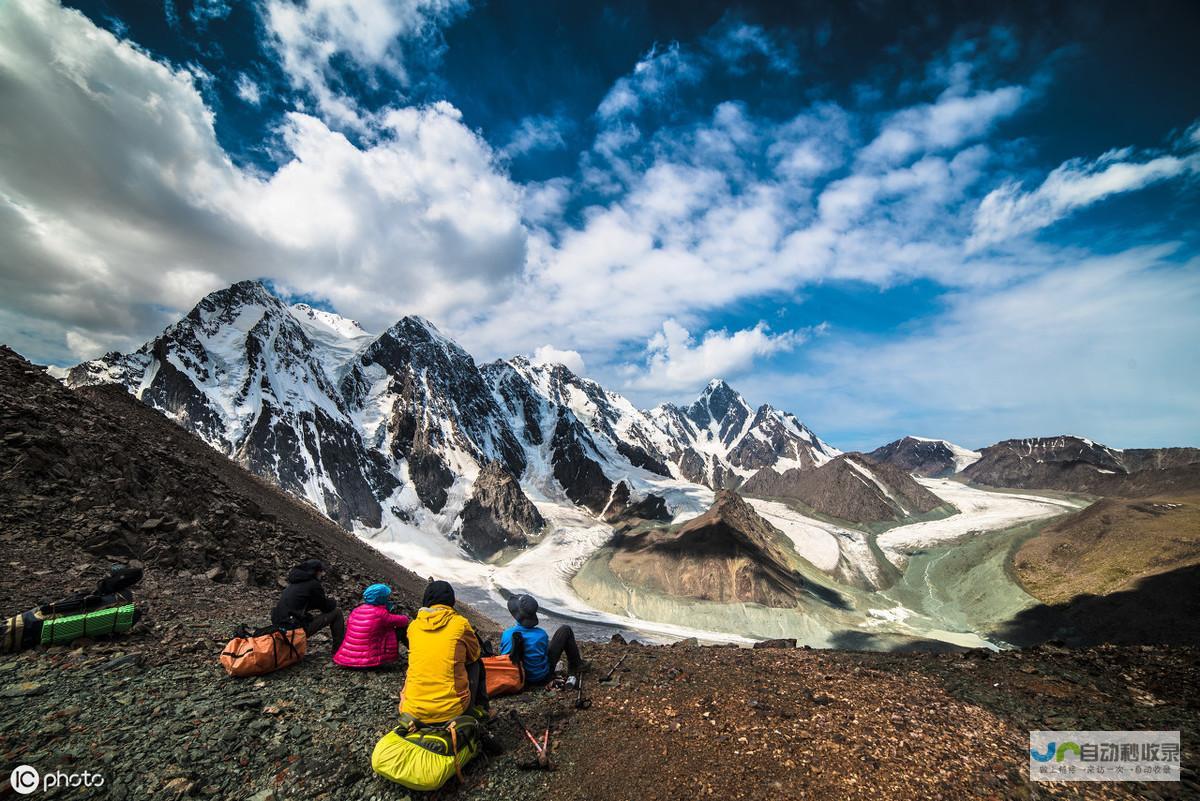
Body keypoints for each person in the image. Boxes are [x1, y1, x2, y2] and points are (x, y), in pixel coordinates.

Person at [400, 580, 488, 724]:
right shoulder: (460, 624)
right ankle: (479, 709)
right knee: (476, 663)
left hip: (411, 710)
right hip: (452, 710)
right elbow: (475, 654)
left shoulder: (413, 627)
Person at [500, 594, 584, 685]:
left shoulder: (507, 634)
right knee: (565, 630)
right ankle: (576, 664)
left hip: (517, 678)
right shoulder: (541, 635)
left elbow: (505, 659)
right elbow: (544, 656)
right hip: (540, 678)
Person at [271, 559, 344, 651]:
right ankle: (339, 649)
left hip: (280, 628)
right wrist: (333, 601)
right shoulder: (313, 584)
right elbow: (326, 607)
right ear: (316, 572)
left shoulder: (294, 583)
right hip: (292, 631)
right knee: (337, 612)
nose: (322, 574)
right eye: (321, 571)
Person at [333, 583, 410, 669]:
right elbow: (404, 621)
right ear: (381, 598)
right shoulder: (381, 614)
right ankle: (416, 654)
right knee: (401, 629)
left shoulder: (356, 610)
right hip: (370, 661)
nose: (388, 599)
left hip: (348, 659)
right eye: (386, 597)